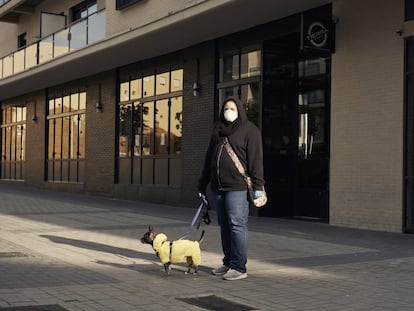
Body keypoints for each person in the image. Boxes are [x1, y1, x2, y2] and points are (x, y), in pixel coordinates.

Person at [198, 96, 265, 281]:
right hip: (218, 187)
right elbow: (209, 158)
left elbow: (256, 160)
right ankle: (228, 262)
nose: (229, 112)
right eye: (226, 108)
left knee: (237, 225)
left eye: (232, 108)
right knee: (225, 226)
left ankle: (238, 266)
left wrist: (259, 185)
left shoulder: (249, 130)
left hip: (238, 187)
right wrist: (202, 183)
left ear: (239, 110)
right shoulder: (217, 129)